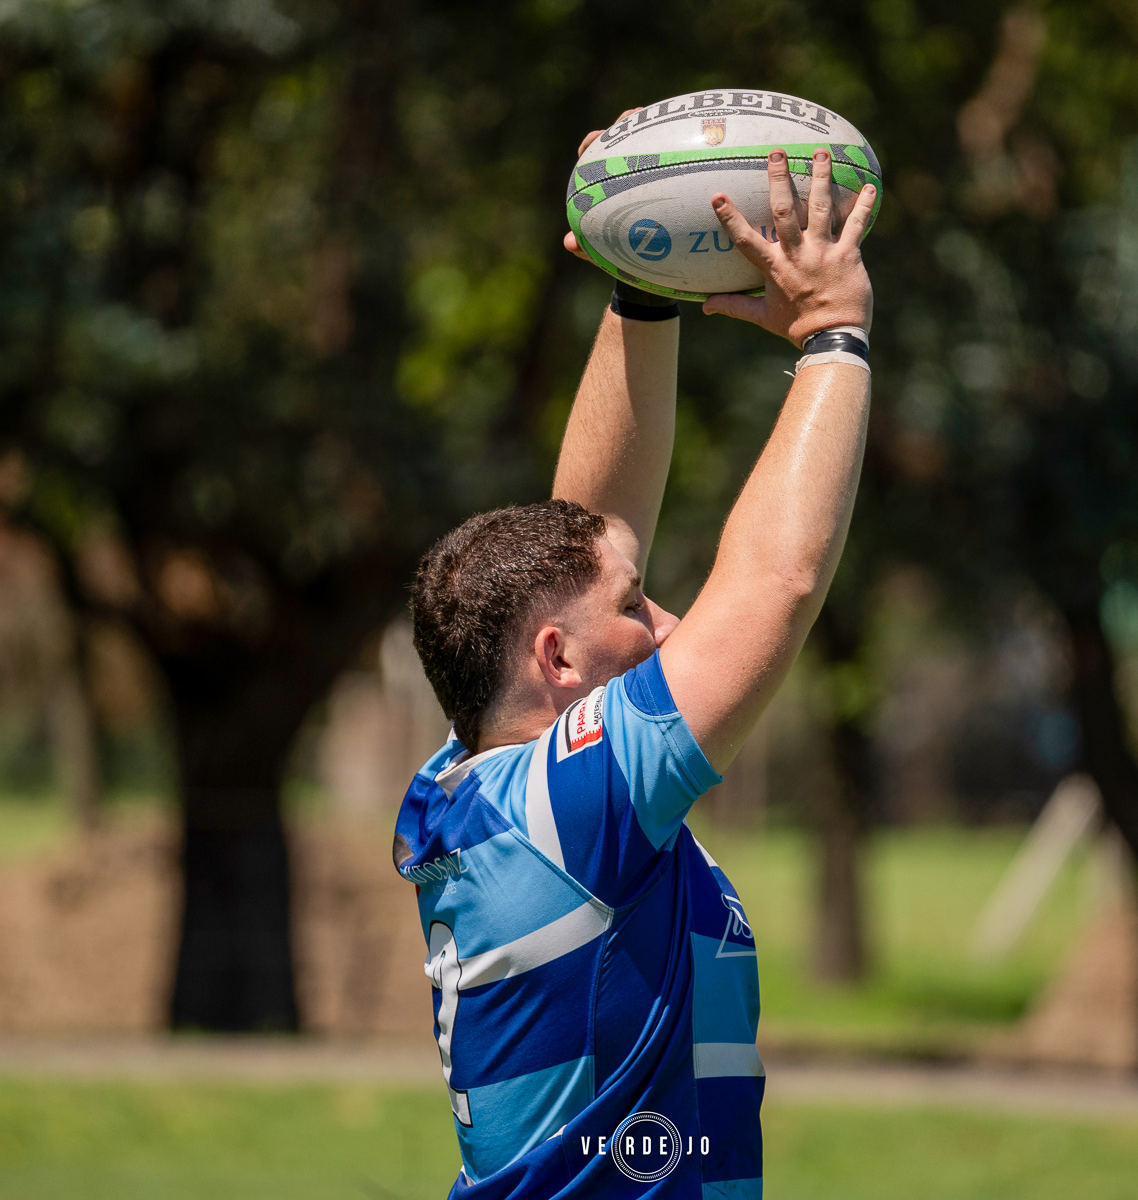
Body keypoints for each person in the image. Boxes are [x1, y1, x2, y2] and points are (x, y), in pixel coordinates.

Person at [394, 112, 876, 1199]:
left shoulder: (480, 789)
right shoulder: (568, 810)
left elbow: (582, 537)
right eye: (638, 609)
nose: (666, 629)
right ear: (556, 659)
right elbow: (775, 586)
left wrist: (642, 288)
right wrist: (833, 334)